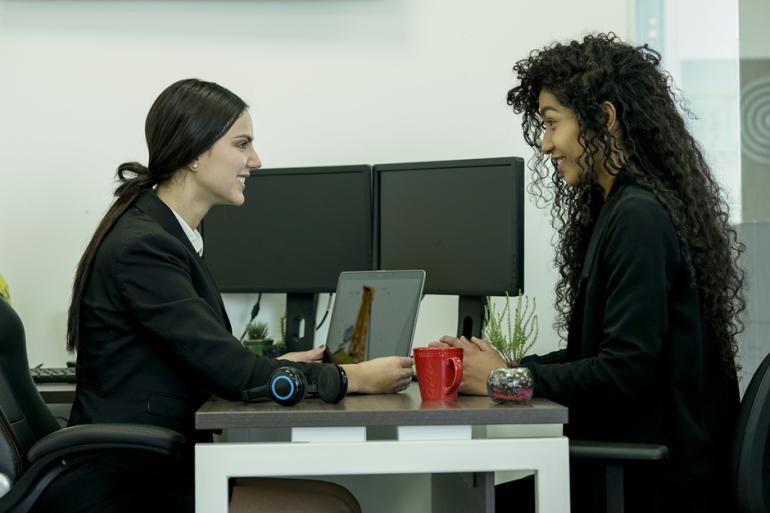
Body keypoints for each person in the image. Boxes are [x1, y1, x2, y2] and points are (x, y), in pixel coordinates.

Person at [37, 79, 413, 513]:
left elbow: (209, 362)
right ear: (194, 153)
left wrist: (274, 366)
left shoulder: (165, 234)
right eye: (242, 144)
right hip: (125, 485)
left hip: (153, 468)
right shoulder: (145, 248)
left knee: (337, 499)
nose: (255, 160)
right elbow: (232, 372)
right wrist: (354, 378)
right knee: (333, 508)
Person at [433, 33, 744, 513]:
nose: (545, 143)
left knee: (468, 503)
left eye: (553, 123)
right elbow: (595, 354)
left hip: (654, 481)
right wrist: (508, 368)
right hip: (639, 462)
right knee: (465, 498)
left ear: (605, 118)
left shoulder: (638, 216)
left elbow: (622, 373)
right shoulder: (621, 207)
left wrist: (505, 380)